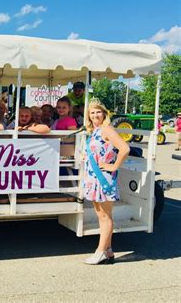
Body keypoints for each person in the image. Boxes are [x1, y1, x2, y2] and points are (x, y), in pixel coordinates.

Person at [83, 99, 129, 265]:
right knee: (101, 215)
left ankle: (100, 251)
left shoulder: (107, 129)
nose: (95, 115)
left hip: (103, 178)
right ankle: (108, 251)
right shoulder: (95, 131)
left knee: (105, 217)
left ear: (104, 113)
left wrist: (113, 166)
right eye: (92, 112)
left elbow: (125, 148)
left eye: (98, 112)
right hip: (93, 177)